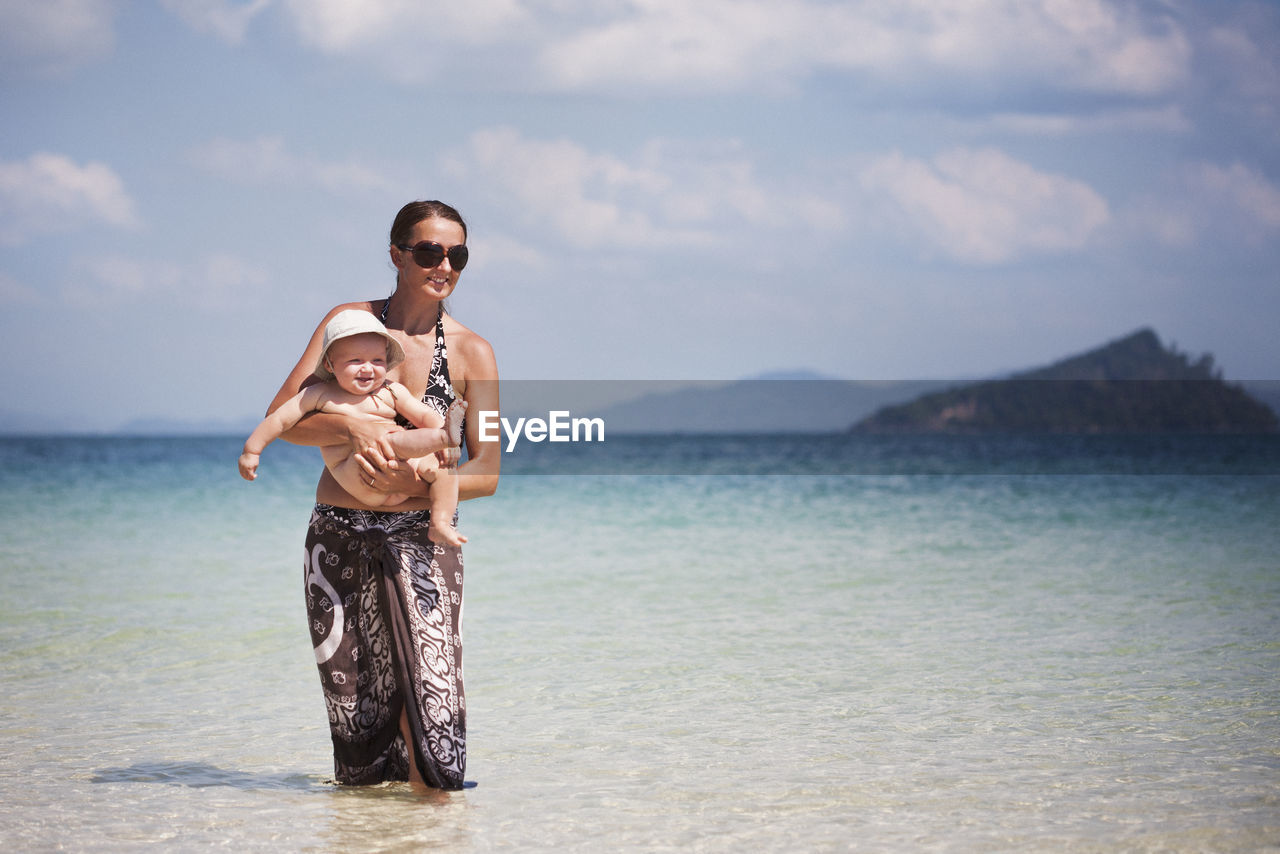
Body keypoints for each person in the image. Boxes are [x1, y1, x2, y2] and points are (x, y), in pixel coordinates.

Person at [266, 200, 499, 790]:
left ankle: (441, 821)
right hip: (337, 532)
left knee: (434, 698)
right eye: (428, 251)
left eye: (457, 255)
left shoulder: (475, 353)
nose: (443, 264)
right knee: (357, 708)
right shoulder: (347, 325)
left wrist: (413, 480)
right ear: (396, 254)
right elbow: (284, 419)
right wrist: (352, 426)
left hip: (423, 537)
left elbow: (489, 469)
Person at [238, 309, 468, 546]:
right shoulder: (319, 394)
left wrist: (439, 433)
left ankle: (440, 523)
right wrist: (252, 450)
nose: (367, 368)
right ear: (330, 364)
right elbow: (279, 420)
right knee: (389, 440)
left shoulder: (390, 391)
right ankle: (443, 437)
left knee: (445, 471)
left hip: (400, 469)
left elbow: (423, 415)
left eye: (377, 360)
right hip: (356, 470)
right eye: (355, 360)